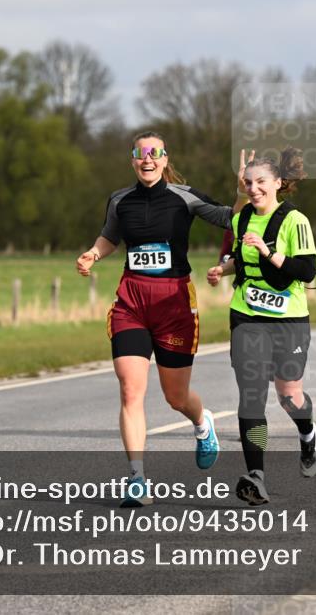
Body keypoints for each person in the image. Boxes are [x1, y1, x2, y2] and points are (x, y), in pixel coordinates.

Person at [75, 132, 233, 507]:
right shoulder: (119, 200)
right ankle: (137, 479)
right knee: (131, 390)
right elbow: (109, 237)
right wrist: (93, 254)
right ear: (133, 160)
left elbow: (233, 219)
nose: (147, 160)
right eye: (141, 154)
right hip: (132, 301)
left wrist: (244, 192)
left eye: (154, 153)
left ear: (164, 159)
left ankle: (201, 422)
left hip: (175, 304)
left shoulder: (185, 196)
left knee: (175, 396)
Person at [207, 148, 316, 505]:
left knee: (289, 397)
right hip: (246, 315)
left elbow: (306, 271)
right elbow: (239, 258)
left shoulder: (294, 221)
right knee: (252, 394)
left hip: (288, 319)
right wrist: (221, 270)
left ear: (278, 184)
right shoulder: (240, 221)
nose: (253, 188)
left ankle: (307, 432)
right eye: (248, 182)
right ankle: (256, 475)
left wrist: (270, 252)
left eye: (260, 182)